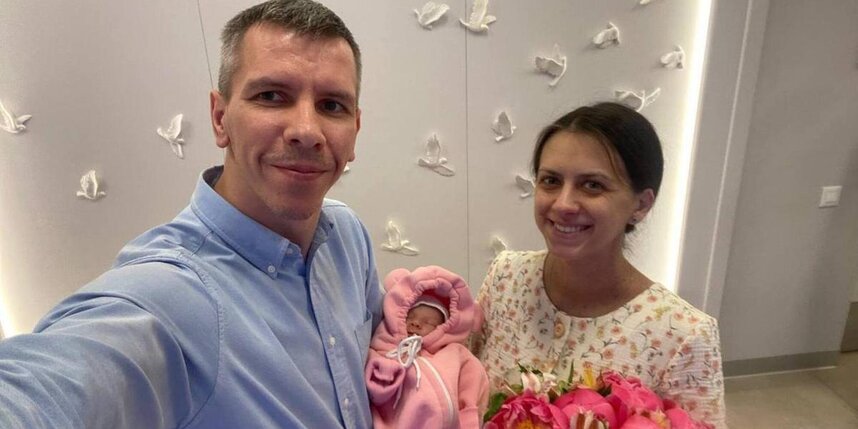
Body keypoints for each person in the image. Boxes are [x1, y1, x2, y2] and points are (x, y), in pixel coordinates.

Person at [0, 1, 383, 428]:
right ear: (220, 118)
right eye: (272, 96)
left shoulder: (348, 235)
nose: (307, 131)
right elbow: (41, 390)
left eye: (332, 105)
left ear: (355, 131)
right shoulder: (168, 296)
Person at [469, 102, 726, 427]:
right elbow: (462, 386)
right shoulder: (506, 278)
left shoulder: (682, 335)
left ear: (641, 205)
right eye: (551, 181)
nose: (563, 204)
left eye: (592, 185)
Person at [366, 266, 489, 429]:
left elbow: (473, 383)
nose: (416, 323)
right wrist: (386, 370)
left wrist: (469, 420)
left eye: (428, 322)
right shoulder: (387, 346)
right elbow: (372, 380)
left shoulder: (454, 353)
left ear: (442, 328)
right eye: (411, 317)